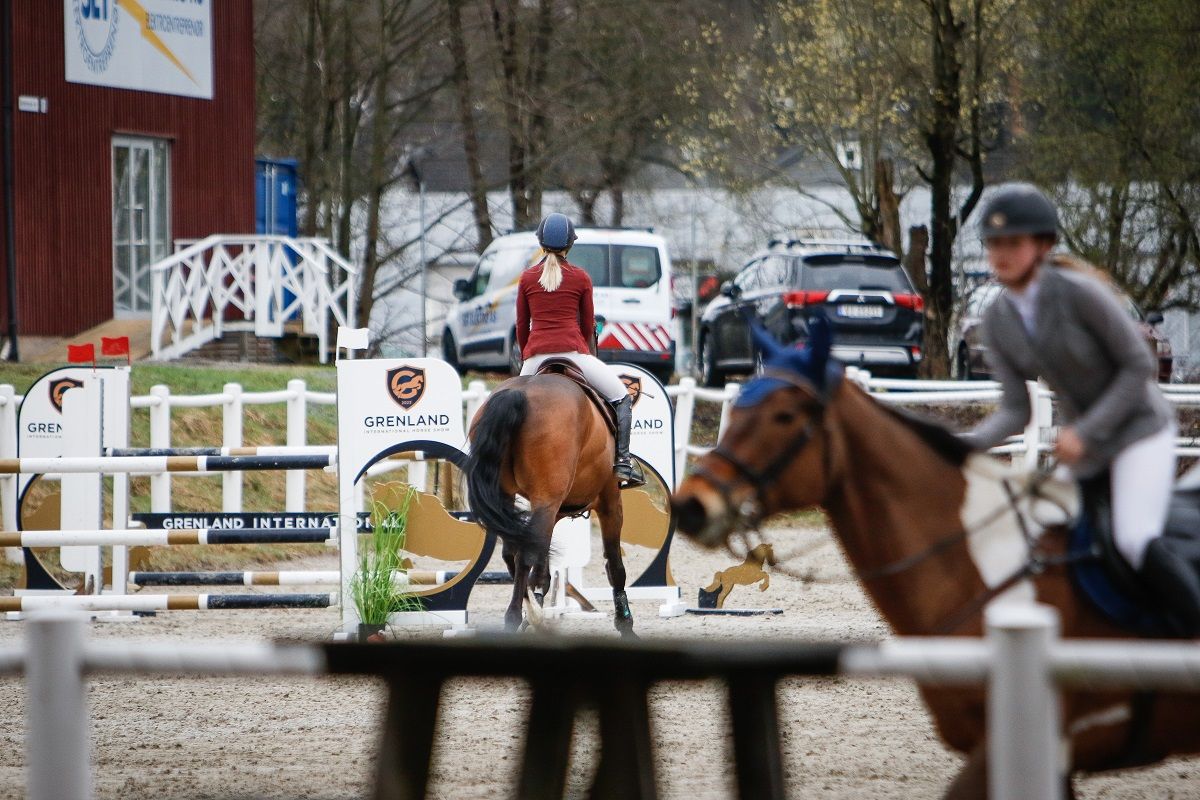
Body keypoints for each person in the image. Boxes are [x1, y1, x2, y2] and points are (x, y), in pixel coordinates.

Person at [961, 182, 1200, 635]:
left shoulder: (1078, 294)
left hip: (1138, 433)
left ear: (1043, 245)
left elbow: (1137, 367)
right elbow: (1015, 410)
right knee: (1039, 533)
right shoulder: (998, 319)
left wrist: (1086, 433)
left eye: (1013, 243)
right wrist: (960, 447)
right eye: (993, 245)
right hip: (1087, 448)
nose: (1001, 254)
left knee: (1133, 539)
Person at [516, 213, 646, 489]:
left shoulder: (527, 279)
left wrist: (528, 354)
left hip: (535, 357)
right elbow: (588, 325)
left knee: (509, 404)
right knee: (621, 397)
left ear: (540, 243)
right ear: (570, 246)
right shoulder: (581, 277)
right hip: (574, 353)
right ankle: (623, 461)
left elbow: (520, 325)